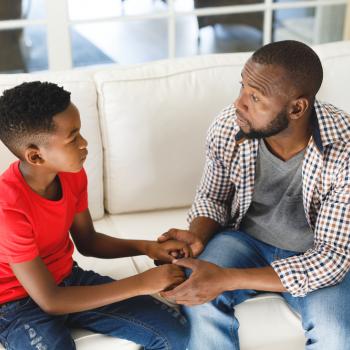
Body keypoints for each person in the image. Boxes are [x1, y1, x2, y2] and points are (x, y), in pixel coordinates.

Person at [158, 40, 350, 349]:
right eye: (243, 88)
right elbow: (213, 199)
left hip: (315, 253)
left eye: (255, 97)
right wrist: (198, 235)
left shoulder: (344, 149)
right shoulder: (228, 127)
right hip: (244, 240)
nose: (239, 103)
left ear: (297, 107)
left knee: (337, 336)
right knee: (198, 298)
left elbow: (332, 258)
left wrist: (228, 278)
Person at [0, 81, 190, 350]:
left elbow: (88, 241)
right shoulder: (8, 210)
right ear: (36, 156)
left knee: (176, 332)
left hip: (68, 280)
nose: (84, 143)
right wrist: (141, 283)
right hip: (15, 305)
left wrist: (149, 248)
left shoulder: (72, 174)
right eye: (73, 137)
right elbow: (50, 301)